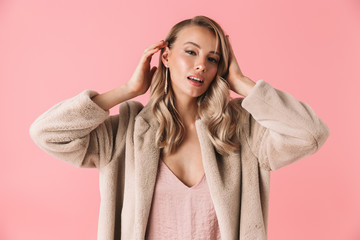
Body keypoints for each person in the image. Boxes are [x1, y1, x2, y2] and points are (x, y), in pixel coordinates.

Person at [29, 15, 330, 240]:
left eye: (212, 59)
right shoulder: (126, 133)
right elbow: (47, 133)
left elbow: (311, 134)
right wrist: (127, 89)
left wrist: (243, 84)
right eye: (190, 52)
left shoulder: (241, 131)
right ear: (166, 56)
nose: (201, 65)